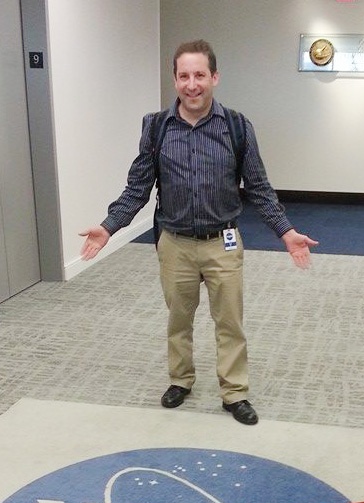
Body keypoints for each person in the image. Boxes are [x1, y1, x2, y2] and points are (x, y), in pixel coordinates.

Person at [80, 39, 318, 425]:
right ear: (175, 80)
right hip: (174, 244)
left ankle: (234, 392)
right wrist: (109, 227)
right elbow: (139, 187)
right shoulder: (156, 128)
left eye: (200, 75)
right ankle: (181, 380)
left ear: (214, 77)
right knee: (179, 319)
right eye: (184, 76)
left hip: (222, 242)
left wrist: (285, 231)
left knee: (229, 322)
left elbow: (258, 187)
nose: (193, 84)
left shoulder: (237, 127)